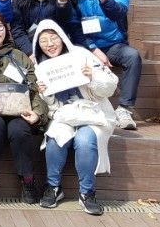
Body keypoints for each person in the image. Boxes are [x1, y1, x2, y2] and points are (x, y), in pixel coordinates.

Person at [32, 19, 118, 216]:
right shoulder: (40, 67)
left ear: (62, 37)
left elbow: (110, 87)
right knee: (55, 138)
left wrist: (93, 77)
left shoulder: (81, 55)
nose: (50, 44)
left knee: (85, 139)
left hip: (94, 113)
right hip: (64, 114)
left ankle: (87, 192)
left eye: (53, 38)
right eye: (43, 41)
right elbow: (51, 108)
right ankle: (53, 187)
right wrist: (46, 94)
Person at [64, 0, 141, 130]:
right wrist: (93, 49)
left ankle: (124, 109)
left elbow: (119, 13)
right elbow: (74, 27)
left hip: (114, 45)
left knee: (133, 56)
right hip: (86, 47)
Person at [0, 11, 47, 205]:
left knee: (18, 128)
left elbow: (33, 89)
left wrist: (38, 114)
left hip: (19, 110)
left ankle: (28, 180)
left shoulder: (19, 56)